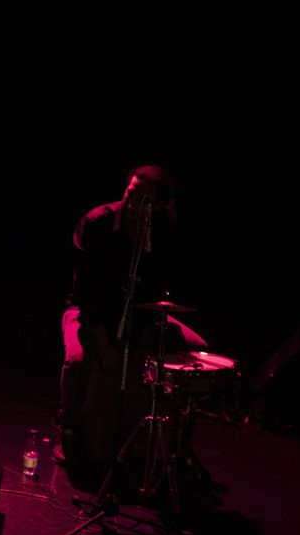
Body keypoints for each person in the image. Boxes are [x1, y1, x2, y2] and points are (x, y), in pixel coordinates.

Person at [58, 165, 206, 464]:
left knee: (198, 353)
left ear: (163, 204)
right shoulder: (97, 223)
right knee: (78, 361)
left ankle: (175, 444)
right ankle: (69, 430)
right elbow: (88, 294)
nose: (132, 204)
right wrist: (103, 345)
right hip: (89, 312)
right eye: (130, 194)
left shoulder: (164, 227)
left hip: (142, 314)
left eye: (145, 200)